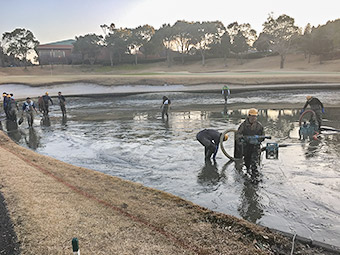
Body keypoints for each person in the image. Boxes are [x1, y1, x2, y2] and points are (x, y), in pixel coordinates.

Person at [235, 108, 264, 173]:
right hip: (246, 146)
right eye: (252, 116)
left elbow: (263, 135)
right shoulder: (243, 125)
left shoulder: (259, 126)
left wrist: (258, 139)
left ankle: (255, 175)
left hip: (256, 146)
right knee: (247, 161)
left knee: (254, 162)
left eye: (255, 116)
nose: (253, 118)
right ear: (249, 116)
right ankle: (248, 171)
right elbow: (238, 134)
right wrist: (243, 138)